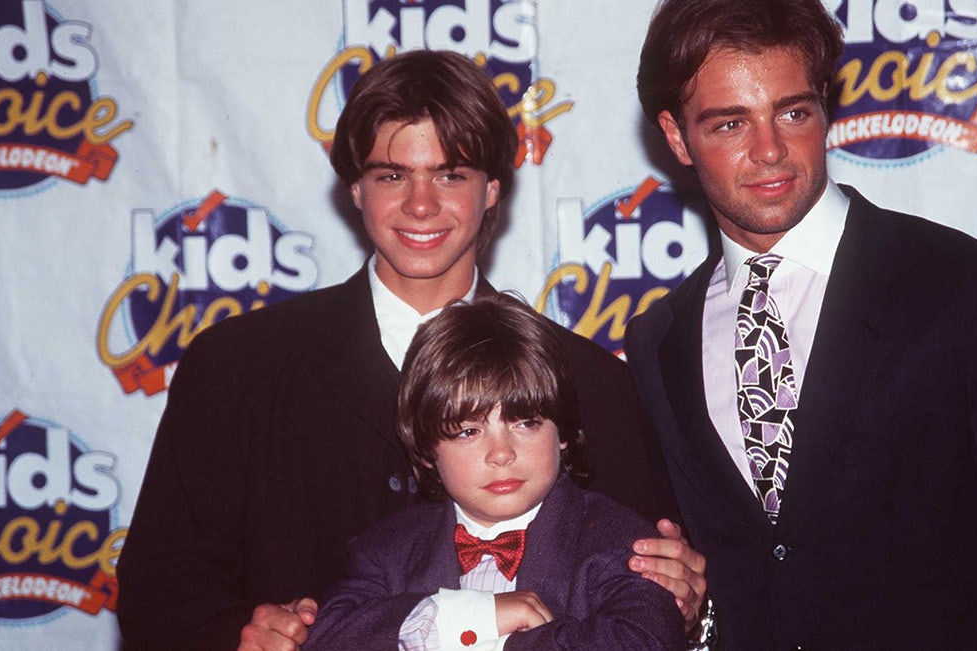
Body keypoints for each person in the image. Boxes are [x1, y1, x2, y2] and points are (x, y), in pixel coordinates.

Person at [117, 50, 704, 651]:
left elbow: (650, 592)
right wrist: (233, 635)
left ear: (493, 188)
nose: (420, 206)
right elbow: (159, 586)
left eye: (451, 174)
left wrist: (681, 601)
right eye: (392, 175)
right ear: (355, 188)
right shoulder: (235, 367)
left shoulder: (590, 381)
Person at [623, 0, 977, 649]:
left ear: (824, 109)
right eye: (730, 123)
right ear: (676, 136)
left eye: (793, 112)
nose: (770, 151)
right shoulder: (659, 341)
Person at [304, 294, 686, 650]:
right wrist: (476, 616)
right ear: (425, 451)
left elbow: (643, 639)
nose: (501, 453)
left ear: (565, 434)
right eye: (469, 432)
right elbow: (328, 635)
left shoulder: (621, 541)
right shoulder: (385, 550)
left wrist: (487, 641)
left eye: (525, 423)